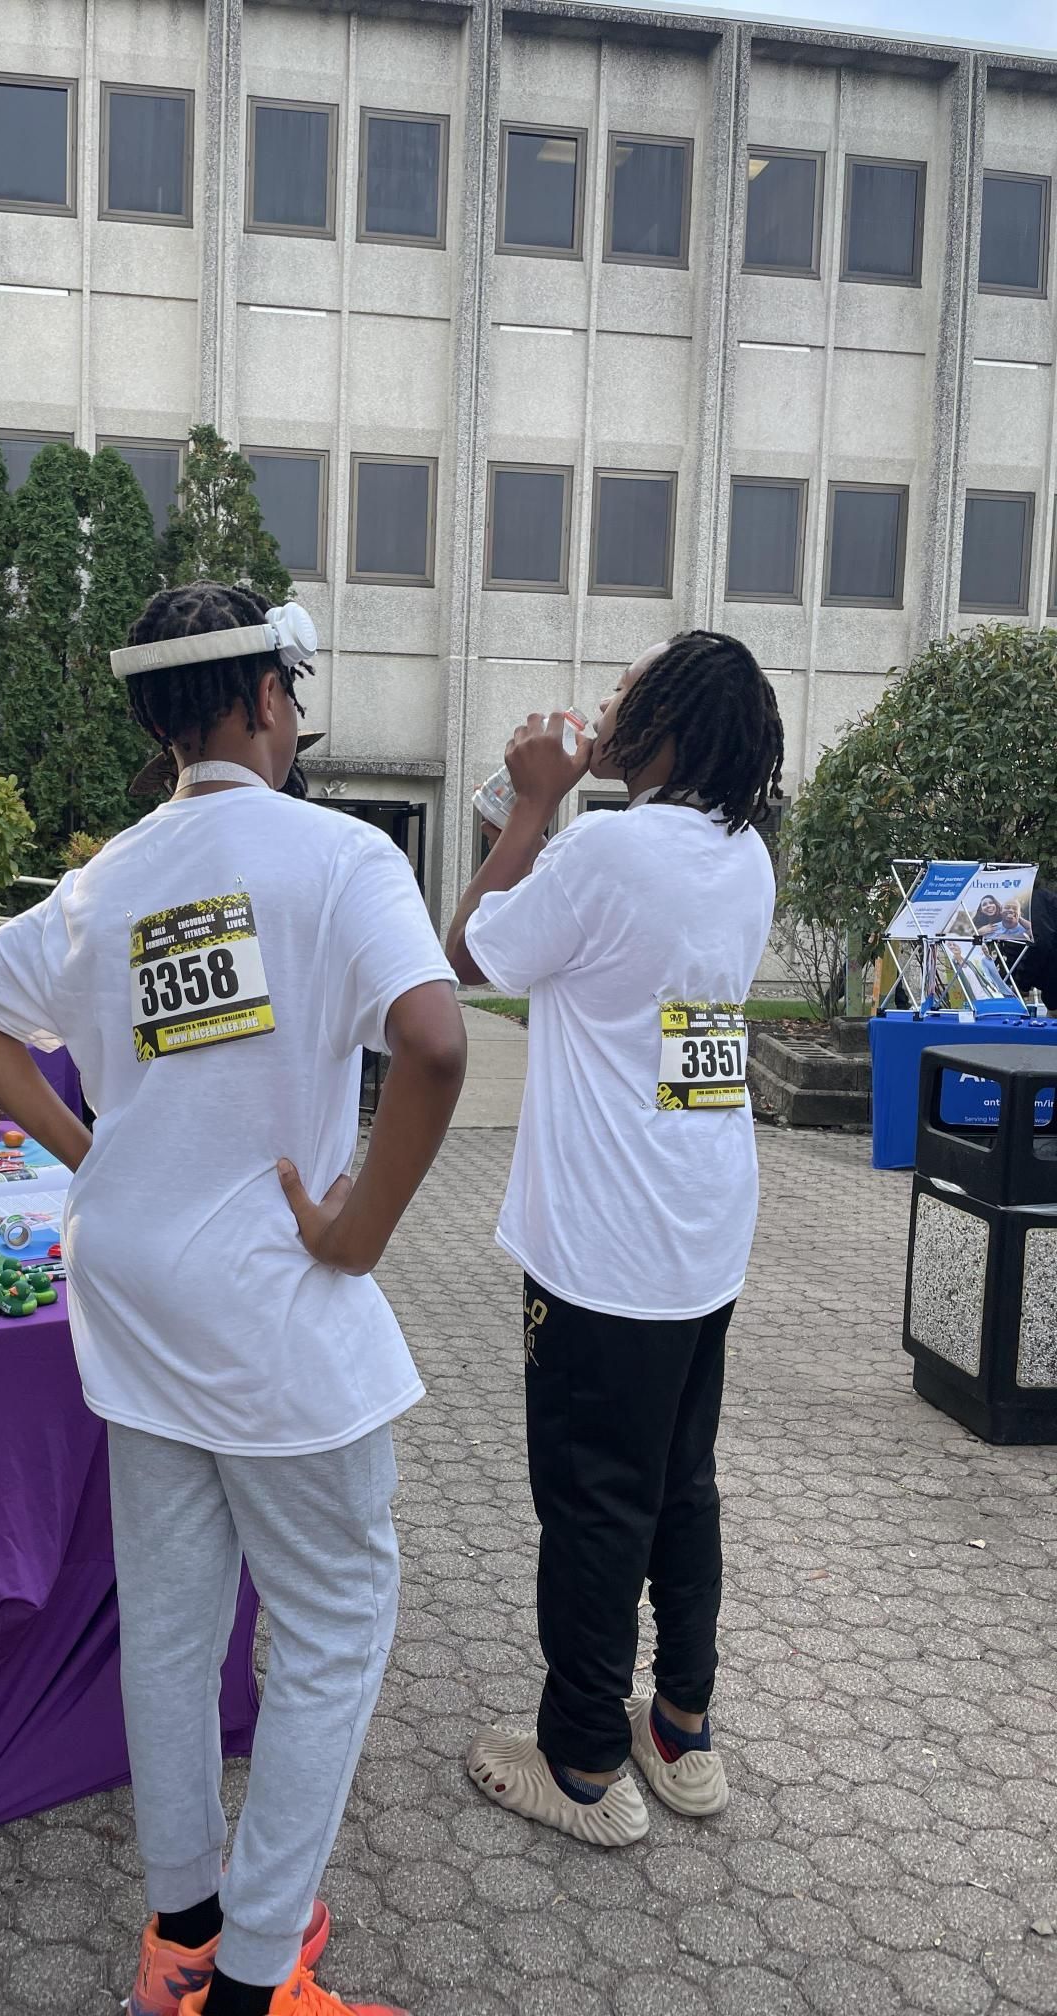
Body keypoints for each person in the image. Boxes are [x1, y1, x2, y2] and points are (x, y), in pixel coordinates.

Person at [0, 583, 465, 2016]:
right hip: (273, 1297)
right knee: (338, 1619)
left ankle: (183, 1929)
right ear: (267, 697)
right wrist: (357, 1231)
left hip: (133, 1287)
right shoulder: (340, 858)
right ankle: (249, 1982)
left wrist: (91, 1151)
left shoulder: (109, 881)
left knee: (169, 1622)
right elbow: (436, 1041)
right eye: (292, 688)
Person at [446, 631, 784, 1849]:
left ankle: (582, 1761)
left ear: (671, 728)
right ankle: (682, 1733)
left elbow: (464, 955)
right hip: (702, 1229)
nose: (607, 701)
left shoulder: (608, 850)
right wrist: (546, 809)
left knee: (593, 1501)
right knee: (678, 1484)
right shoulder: (746, 857)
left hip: (605, 1244)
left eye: (629, 693)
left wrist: (536, 802)